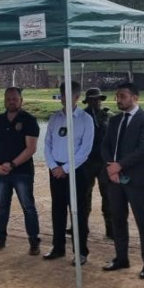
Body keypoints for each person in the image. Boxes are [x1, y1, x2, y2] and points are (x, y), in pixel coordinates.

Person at [101, 82, 144, 279]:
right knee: (117, 218)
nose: (119, 100)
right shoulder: (114, 120)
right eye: (117, 96)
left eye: (123, 96)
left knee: (143, 221)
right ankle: (121, 258)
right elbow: (105, 146)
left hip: (137, 178)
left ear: (135, 97)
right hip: (114, 178)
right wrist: (111, 167)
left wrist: (119, 165)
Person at [0, 87, 42, 255]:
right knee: (2, 207)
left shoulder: (29, 120)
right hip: (0, 172)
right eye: (8, 99)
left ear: (21, 100)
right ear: (4, 100)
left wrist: (12, 164)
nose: (11, 101)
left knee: (28, 206)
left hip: (22, 172)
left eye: (15, 99)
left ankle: (34, 240)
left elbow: (31, 148)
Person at [43, 82, 94, 262]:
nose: (64, 98)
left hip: (76, 171)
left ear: (77, 97)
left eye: (69, 95)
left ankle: (80, 252)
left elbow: (85, 150)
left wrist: (65, 168)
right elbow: (47, 144)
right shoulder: (55, 118)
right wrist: (53, 166)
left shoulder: (85, 119)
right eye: (62, 94)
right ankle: (58, 247)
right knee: (57, 210)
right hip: (55, 170)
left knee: (78, 211)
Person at [82, 88, 113, 239]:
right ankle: (81, 226)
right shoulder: (81, 116)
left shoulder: (107, 115)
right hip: (86, 162)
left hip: (103, 162)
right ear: (88, 101)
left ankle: (110, 228)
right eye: (94, 99)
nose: (97, 102)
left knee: (107, 196)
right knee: (83, 196)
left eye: (99, 99)